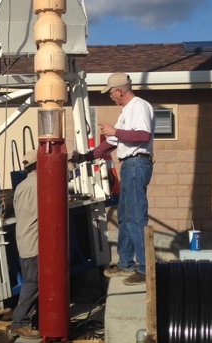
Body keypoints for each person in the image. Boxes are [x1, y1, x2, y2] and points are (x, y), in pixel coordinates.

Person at [70, 72, 154, 286]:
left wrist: (114, 130)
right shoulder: (127, 111)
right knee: (126, 216)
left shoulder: (139, 106)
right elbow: (113, 141)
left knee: (135, 217)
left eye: (110, 93)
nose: (110, 97)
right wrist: (87, 157)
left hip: (136, 163)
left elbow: (142, 135)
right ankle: (126, 263)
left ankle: (145, 269)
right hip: (130, 165)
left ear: (119, 91)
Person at [10, 149, 41, 339]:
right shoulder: (40, 185)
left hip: (24, 240)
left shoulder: (21, 186)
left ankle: (30, 318)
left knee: (32, 281)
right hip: (35, 242)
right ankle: (19, 322)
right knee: (33, 283)